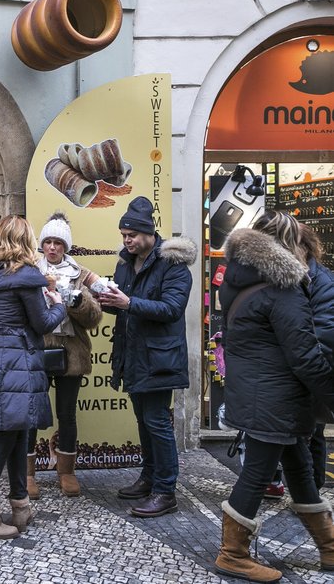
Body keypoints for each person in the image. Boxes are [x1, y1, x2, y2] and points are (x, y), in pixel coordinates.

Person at [215, 217, 334, 581]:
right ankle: (232, 554)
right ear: (289, 245)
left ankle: (329, 547)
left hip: (261, 393)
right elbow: (306, 354)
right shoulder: (284, 287)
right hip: (275, 397)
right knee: (256, 475)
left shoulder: (238, 279)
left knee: (299, 470)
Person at [0, 216, 66, 539]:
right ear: (25, 242)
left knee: (18, 430)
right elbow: (43, 323)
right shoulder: (25, 277)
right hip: (15, 365)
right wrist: (58, 304)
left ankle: (20, 504)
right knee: (7, 435)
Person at [97, 196, 195, 518]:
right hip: (133, 355)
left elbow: (171, 309)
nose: (127, 241)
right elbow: (124, 305)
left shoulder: (173, 263)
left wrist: (127, 303)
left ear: (149, 233)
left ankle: (166, 491)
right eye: (123, 235)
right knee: (144, 421)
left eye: (132, 235)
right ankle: (149, 477)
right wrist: (105, 301)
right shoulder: (126, 262)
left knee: (157, 422)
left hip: (159, 358)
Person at [27, 212, 103, 498]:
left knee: (67, 414)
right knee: (32, 413)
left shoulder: (81, 274)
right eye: (48, 241)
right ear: (42, 244)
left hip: (71, 353)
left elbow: (94, 318)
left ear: (65, 246)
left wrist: (77, 301)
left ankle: (66, 471)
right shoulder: (31, 272)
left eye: (58, 242)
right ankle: (28, 474)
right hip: (38, 351)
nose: (53, 248)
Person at [297, 222, 334, 491]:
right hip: (296, 369)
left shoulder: (321, 280)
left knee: (313, 432)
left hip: (312, 372)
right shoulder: (290, 277)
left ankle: (313, 491)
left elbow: (323, 335)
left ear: (305, 247)